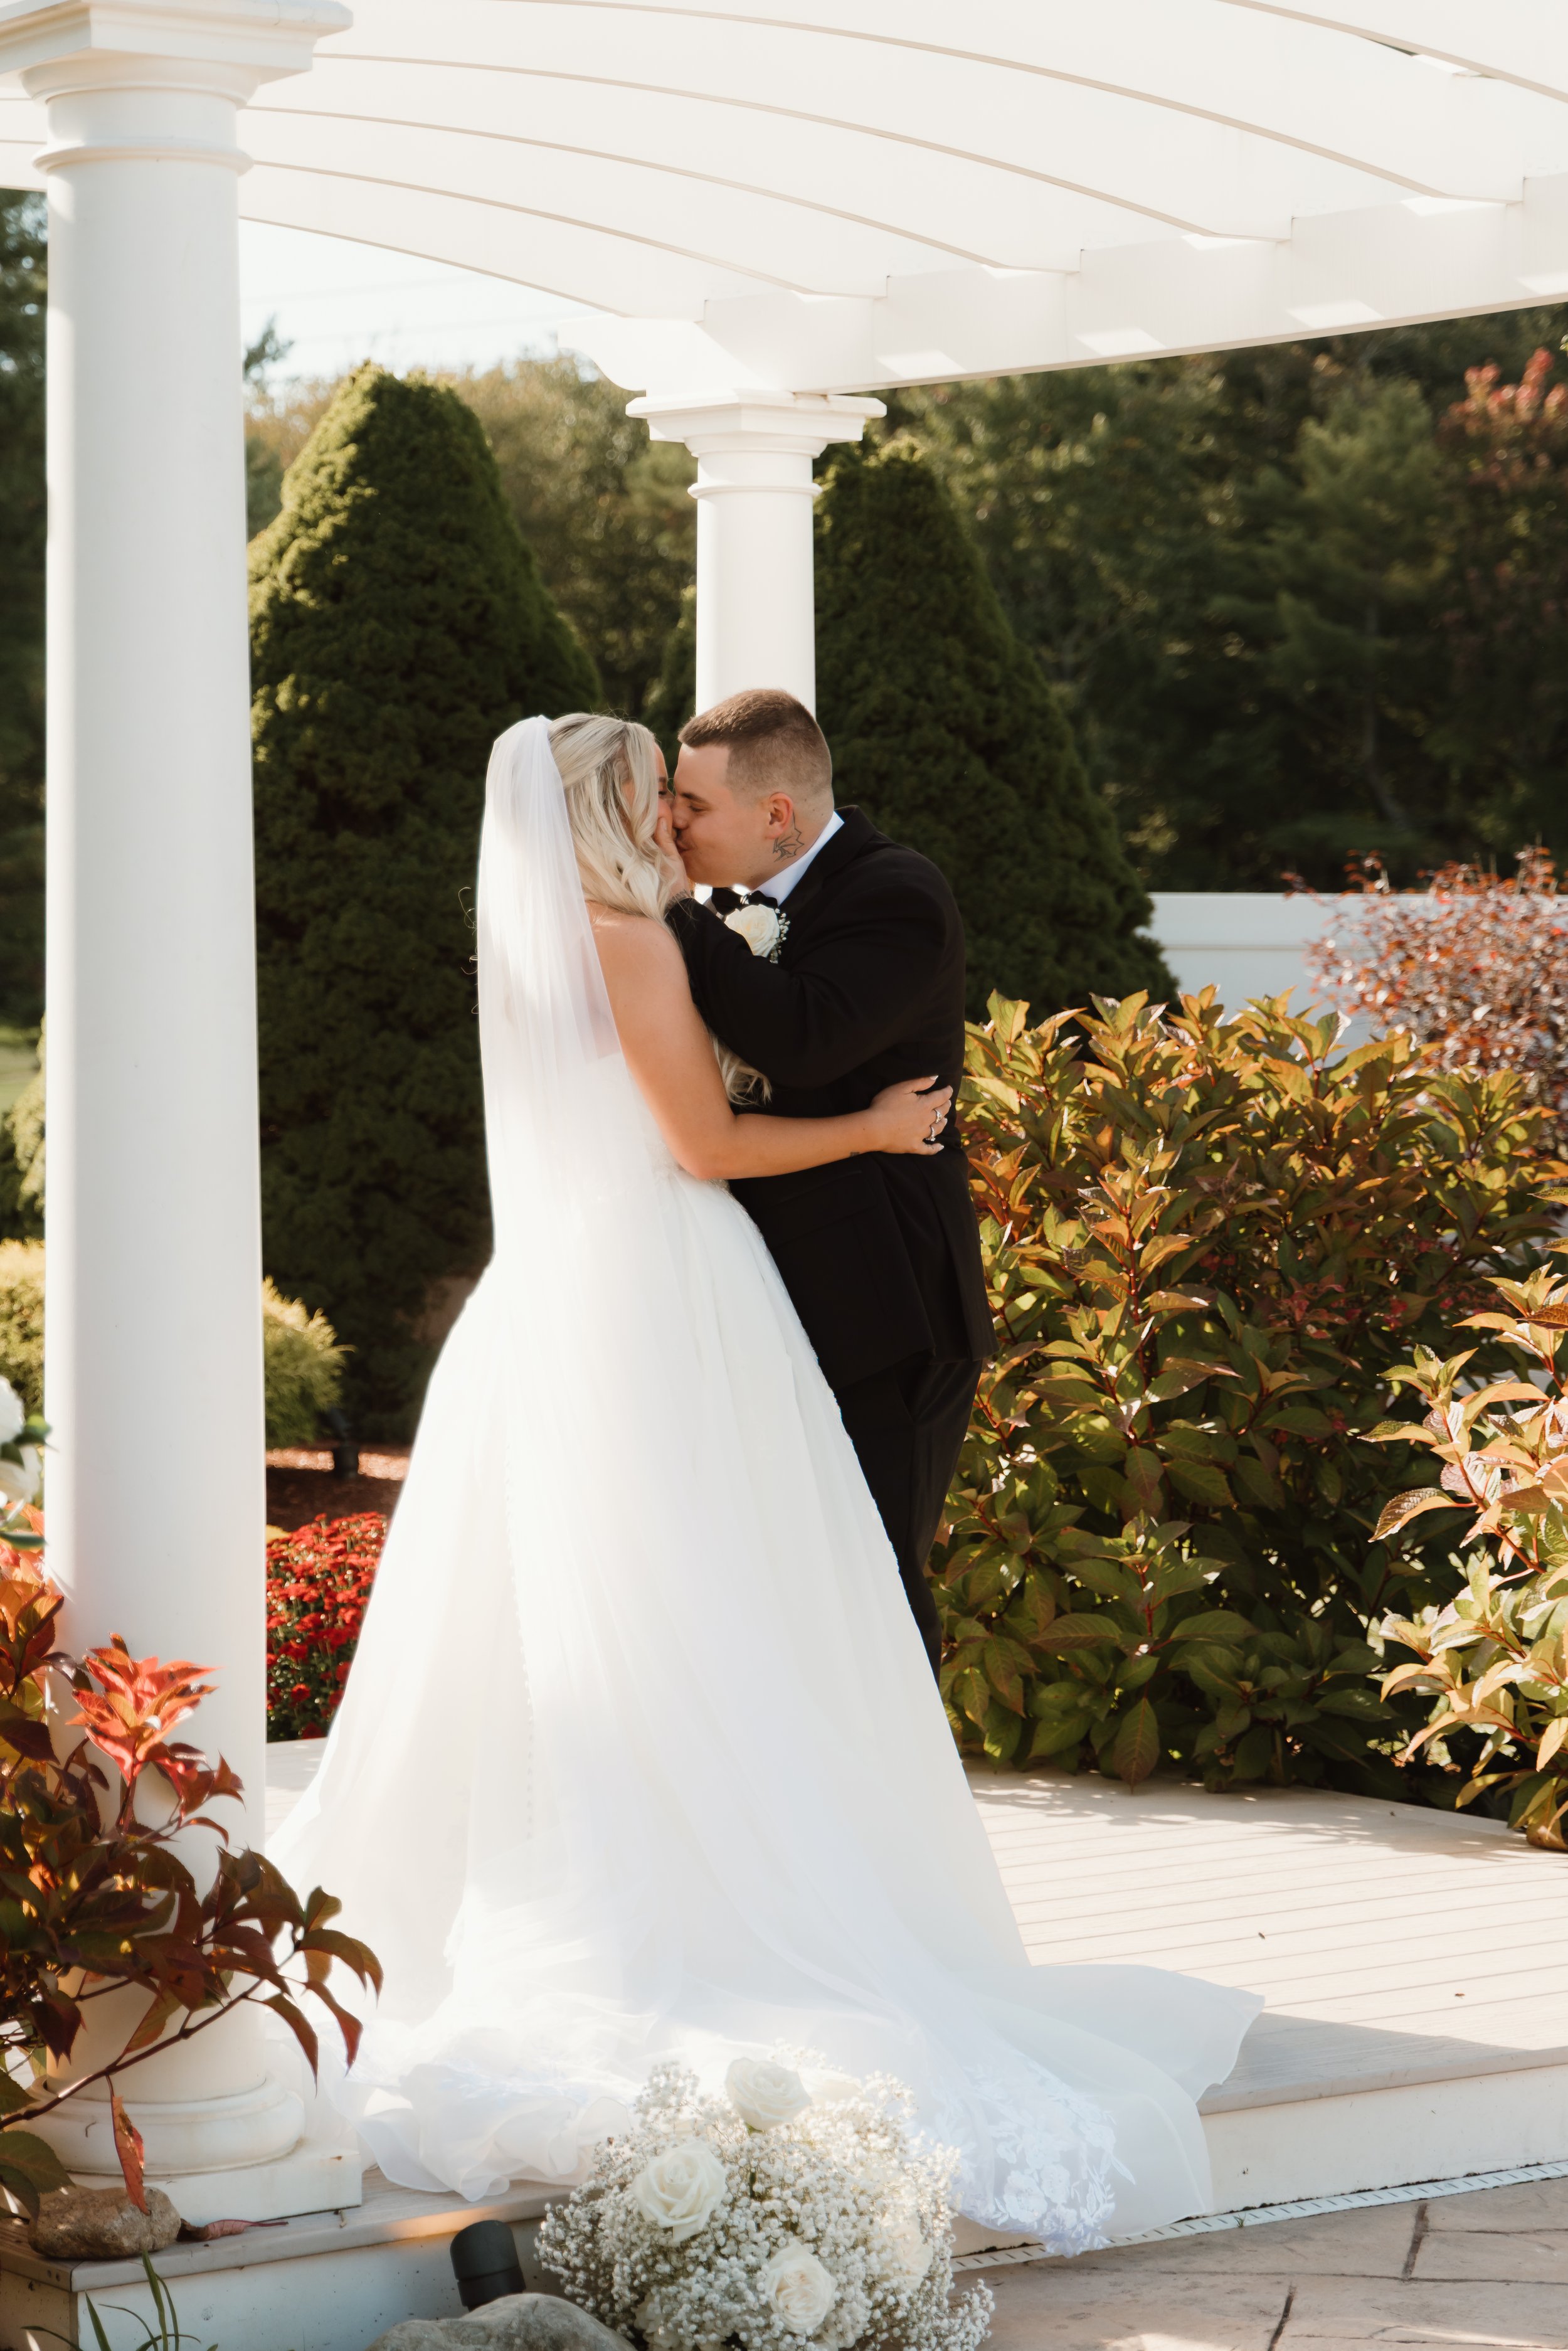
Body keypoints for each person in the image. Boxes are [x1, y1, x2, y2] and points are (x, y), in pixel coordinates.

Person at [272, 713, 1259, 2253]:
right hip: (668, 1290)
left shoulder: (556, 938)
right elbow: (706, 1139)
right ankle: (756, 1887)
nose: (676, 817)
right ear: (618, 814)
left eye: (692, 794)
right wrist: (867, 1123)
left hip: (550, 1300)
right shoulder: (638, 939)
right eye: (655, 795)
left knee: (598, 1608)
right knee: (730, 1595)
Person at [664, 690, 990, 1679]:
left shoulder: (895, 892)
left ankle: (897, 1820)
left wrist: (671, 916)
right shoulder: (737, 907)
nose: (672, 825)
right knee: (780, 1586)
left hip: (882, 1304)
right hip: (767, 1292)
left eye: (693, 807)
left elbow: (803, 1041)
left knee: (871, 1581)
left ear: (778, 816)